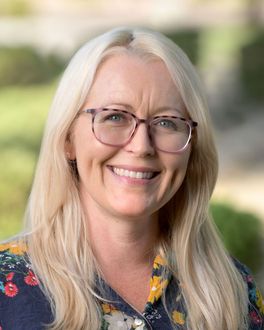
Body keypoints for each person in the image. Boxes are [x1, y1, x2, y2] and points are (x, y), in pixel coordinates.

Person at [0, 27, 263, 330]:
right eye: (115, 116)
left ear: (192, 148)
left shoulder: (233, 293)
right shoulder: (6, 292)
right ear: (68, 138)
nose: (141, 146)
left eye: (166, 122)